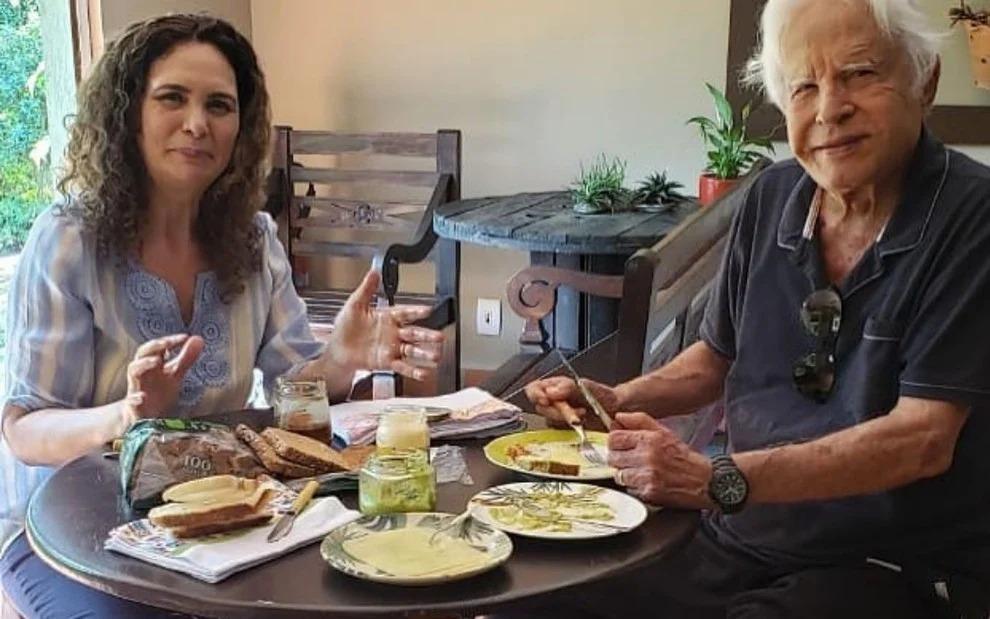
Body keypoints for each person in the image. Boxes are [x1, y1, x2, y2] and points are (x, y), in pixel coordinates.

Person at [526, 1, 990, 617]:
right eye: (804, 87)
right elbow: (712, 360)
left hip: (892, 563)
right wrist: (614, 400)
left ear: (924, 81)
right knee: (545, 588)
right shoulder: (772, 195)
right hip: (743, 534)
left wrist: (714, 478)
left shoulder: (972, 218)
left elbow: (922, 439)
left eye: (858, 73)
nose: (829, 109)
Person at [0, 14, 443, 618]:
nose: (197, 124)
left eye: (219, 105)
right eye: (172, 98)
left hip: (221, 521)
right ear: (128, 113)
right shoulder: (69, 240)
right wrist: (127, 414)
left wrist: (342, 359)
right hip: (71, 535)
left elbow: (294, 391)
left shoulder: (253, 240)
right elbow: (24, 430)